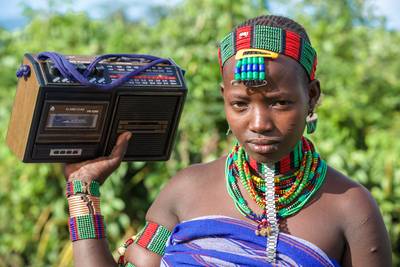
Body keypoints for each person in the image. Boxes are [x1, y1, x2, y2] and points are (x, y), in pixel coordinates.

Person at [64, 15, 392, 267]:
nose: (259, 124)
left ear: (313, 97)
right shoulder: (185, 189)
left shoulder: (351, 208)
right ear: (225, 99)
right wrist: (82, 189)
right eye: (241, 104)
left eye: (280, 102)